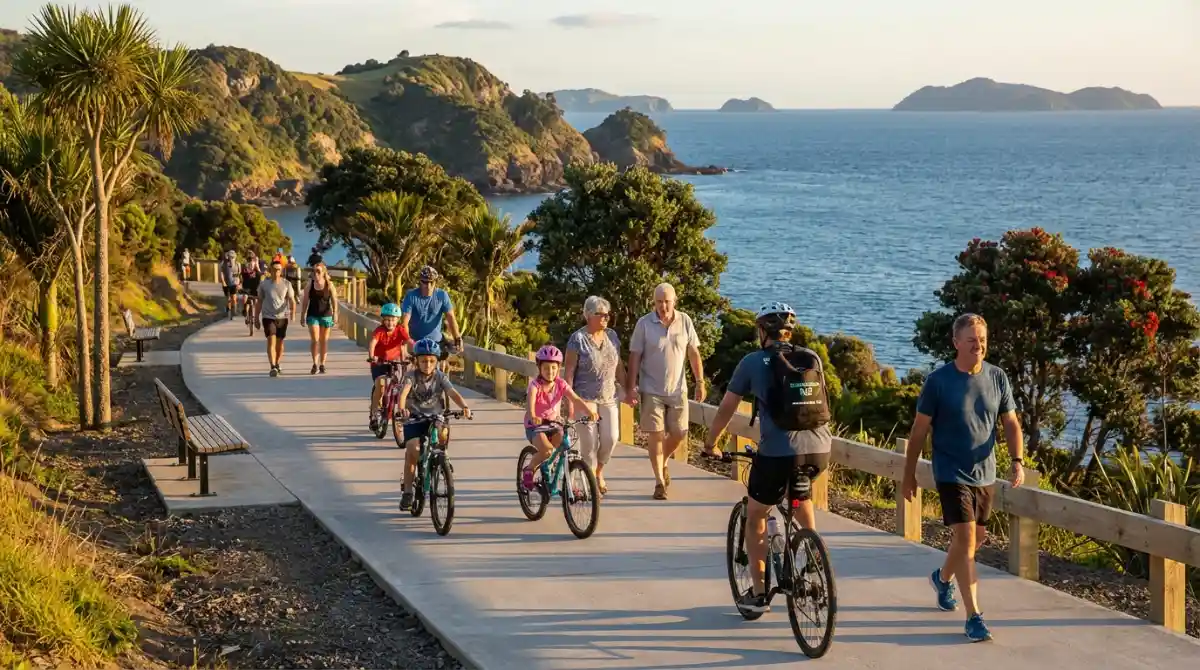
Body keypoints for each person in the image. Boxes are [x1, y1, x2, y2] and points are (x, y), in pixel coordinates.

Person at [703, 302, 834, 614]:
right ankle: (810, 557)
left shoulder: (752, 362)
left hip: (777, 453)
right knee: (799, 494)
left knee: (756, 514)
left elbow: (727, 407)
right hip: (819, 449)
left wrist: (711, 443)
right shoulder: (811, 357)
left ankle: (760, 594)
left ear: (762, 332)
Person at [901, 313, 1024, 643]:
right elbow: (918, 432)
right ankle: (974, 616)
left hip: (985, 473)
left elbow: (1011, 423)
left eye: (982, 340)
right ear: (956, 343)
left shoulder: (997, 377)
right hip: (950, 472)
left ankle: (942, 579)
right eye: (971, 340)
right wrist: (909, 474)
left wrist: (1017, 461)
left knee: (975, 539)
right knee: (967, 540)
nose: (978, 346)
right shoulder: (938, 382)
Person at [626, 282, 705, 500]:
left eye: (667, 301)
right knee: (656, 435)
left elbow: (693, 353)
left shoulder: (685, 321)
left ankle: (663, 461)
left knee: (679, 433)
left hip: (678, 390)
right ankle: (659, 482)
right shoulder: (644, 324)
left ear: (674, 301)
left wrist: (700, 381)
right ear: (653, 302)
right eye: (659, 302)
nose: (663, 306)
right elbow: (634, 357)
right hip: (651, 389)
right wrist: (631, 387)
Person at [395, 338, 473, 511]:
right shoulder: (411, 376)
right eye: (423, 360)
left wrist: (464, 407)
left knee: (441, 440)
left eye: (431, 361)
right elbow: (403, 393)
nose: (427, 364)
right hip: (414, 418)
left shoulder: (440, 376)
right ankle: (408, 491)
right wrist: (402, 409)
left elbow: (452, 392)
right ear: (416, 361)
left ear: (437, 361)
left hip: (435, 417)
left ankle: (440, 464)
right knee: (413, 451)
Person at [564, 295, 627, 495]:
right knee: (589, 443)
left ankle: (599, 471)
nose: (606, 318)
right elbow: (569, 371)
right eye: (602, 315)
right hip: (584, 397)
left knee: (611, 438)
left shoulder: (612, 336)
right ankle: (589, 481)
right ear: (589, 315)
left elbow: (619, 365)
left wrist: (627, 388)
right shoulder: (577, 339)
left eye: (608, 315)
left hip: (609, 396)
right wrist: (570, 401)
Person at [520, 345, 597, 491]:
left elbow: (575, 399)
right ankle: (529, 470)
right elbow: (530, 406)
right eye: (546, 368)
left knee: (565, 447)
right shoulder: (535, 385)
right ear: (539, 368)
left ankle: (567, 482)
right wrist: (534, 416)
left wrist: (589, 412)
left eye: (554, 368)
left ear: (558, 368)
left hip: (555, 424)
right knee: (547, 451)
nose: (550, 372)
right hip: (536, 426)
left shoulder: (561, 384)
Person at [400, 266, 463, 367]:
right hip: (415, 342)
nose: (428, 286)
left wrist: (457, 338)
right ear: (420, 281)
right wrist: (408, 341)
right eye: (425, 282)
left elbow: (450, 317)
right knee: (413, 375)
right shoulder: (411, 296)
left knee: (435, 374)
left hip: (435, 343)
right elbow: (405, 322)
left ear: (435, 282)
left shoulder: (442, 295)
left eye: (431, 282)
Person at [367, 303, 411, 430]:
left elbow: (409, 341)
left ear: (397, 320)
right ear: (383, 320)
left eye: (392, 320)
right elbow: (373, 343)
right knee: (380, 386)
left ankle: (399, 409)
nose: (390, 323)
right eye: (387, 319)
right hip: (380, 362)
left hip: (396, 362)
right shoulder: (380, 331)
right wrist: (372, 355)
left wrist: (419, 350)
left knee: (402, 387)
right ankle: (375, 413)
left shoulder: (400, 330)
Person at [258, 259, 298, 377]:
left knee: (280, 343)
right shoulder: (264, 284)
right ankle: (273, 366)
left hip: (282, 317)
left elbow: (292, 300)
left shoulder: (286, 284)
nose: (276, 272)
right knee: (271, 339)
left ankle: (278, 362)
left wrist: (293, 313)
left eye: (279, 270)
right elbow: (259, 301)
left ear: (282, 271)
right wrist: (256, 317)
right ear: (270, 270)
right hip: (268, 316)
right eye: (274, 270)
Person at [299, 261, 339, 374]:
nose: (316, 273)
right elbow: (305, 300)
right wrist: (302, 314)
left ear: (323, 273)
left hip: (326, 315)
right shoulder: (310, 284)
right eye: (314, 271)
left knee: (324, 341)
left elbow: (334, 300)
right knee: (315, 340)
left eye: (318, 271)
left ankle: (322, 364)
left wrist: (335, 313)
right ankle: (315, 364)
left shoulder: (329, 284)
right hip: (313, 315)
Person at [240, 250, 263, 328]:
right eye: (249, 260)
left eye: (252, 260)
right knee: (245, 298)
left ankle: (256, 317)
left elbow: (260, 275)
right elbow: (241, 276)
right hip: (246, 287)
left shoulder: (256, 269)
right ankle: (245, 311)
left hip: (255, 288)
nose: (250, 262)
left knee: (257, 301)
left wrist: (257, 266)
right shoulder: (244, 268)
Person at [218, 250, 241, 318]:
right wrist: (223, 281)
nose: (232, 258)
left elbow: (239, 274)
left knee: (234, 298)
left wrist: (238, 282)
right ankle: (228, 309)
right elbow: (221, 273)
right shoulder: (223, 264)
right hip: (226, 283)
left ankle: (234, 310)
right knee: (228, 298)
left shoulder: (237, 264)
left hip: (234, 283)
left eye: (233, 257)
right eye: (230, 256)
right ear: (228, 257)